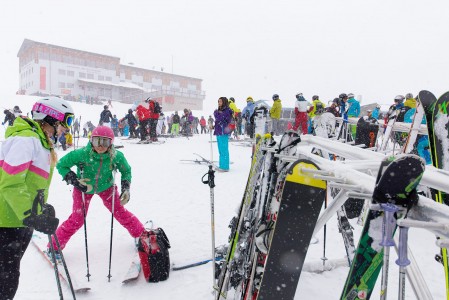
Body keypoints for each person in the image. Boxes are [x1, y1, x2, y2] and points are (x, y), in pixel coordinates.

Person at [0, 97, 75, 299]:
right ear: (50, 119)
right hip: (7, 222)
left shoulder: (40, 143)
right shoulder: (27, 139)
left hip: (18, 221)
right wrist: (30, 214)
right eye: (64, 123)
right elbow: (11, 183)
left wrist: (41, 209)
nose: (65, 130)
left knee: (8, 279)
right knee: (5, 282)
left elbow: (30, 186)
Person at [49, 126, 145, 253]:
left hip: (106, 187)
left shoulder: (116, 156)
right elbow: (61, 164)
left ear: (111, 144)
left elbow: (126, 170)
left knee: (120, 212)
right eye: (96, 141)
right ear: (91, 141)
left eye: (105, 142)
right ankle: (54, 247)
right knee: (77, 219)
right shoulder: (81, 154)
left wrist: (126, 188)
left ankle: (141, 236)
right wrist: (73, 179)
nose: (100, 146)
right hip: (83, 188)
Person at [214, 97, 233, 172]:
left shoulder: (227, 110)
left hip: (223, 131)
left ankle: (225, 167)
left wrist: (216, 113)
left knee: (223, 149)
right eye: (218, 101)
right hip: (219, 131)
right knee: (221, 150)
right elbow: (218, 120)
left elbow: (222, 119)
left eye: (220, 101)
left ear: (224, 102)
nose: (219, 103)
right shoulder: (220, 110)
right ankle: (222, 165)